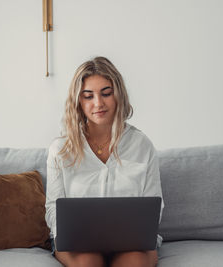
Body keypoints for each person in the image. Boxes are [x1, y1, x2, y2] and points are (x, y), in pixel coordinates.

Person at [45, 56, 164, 267]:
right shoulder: (60, 150)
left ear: (118, 95)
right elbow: (53, 207)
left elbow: (155, 205)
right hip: (78, 245)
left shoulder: (142, 145)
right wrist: (66, 237)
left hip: (132, 245)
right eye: (88, 96)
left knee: (133, 263)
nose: (98, 103)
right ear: (78, 102)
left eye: (106, 93)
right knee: (89, 263)